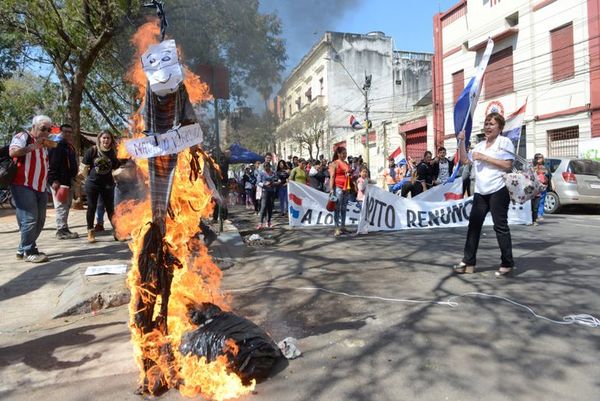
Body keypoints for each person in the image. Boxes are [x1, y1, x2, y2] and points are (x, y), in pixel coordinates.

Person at [453, 112, 515, 278]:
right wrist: (461, 142)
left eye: (491, 124)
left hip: (498, 189)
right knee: (473, 226)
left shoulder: (504, 142)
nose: (488, 127)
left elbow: (508, 165)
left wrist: (485, 158)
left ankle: (507, 262)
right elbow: (466, 161)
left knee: (500, 226)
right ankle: (469, 261)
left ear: (500, 127)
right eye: (486, 124)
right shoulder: (479, 145)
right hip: (481, 191)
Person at [9, 115, 54, 263]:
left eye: (49, 129)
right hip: (23, 185)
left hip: (40, 187)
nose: (46, 132)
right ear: (34, 127)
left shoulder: (45, 144)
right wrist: (34, 146)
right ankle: (29, 251)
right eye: (43, 129)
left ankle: (22, 248)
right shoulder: (23, 136)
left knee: (40, 221)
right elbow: (13, 152)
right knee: (29, 219)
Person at [81, 131, 119, 243]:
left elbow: (117, 168)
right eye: (104, 138)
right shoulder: (92, 150)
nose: (106, 140)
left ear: (111, 139)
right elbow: (84, 167)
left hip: (107, 184)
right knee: (92, 207)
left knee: (111, 209)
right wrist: (87, 179)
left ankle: (117, 232)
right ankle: (90, 232)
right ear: (100, 139)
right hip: (93, 184)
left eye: (108, 138)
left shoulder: (113, 152)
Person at [48, 123, 79, 239]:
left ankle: (64, 228)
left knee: (66, 205)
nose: (67, 134)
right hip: (59, 181)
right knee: (61, 205)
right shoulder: (57, 145)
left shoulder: (69, 146)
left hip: (68, 180)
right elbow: (52, 164)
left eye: (69, 132)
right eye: (65, 131)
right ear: (60, 132)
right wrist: (54, 180)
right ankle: (61, 231)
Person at [329, 146, 351, 237]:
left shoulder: (346, 163)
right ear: (338, 154)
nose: (345, 155)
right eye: (343, 153)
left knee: (344, 208)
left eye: (345, 153)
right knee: (337, 208)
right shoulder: (334, 163)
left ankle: (343, 226)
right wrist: (331, 189)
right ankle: (336, 228)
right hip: (338, 187)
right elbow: (332, 177)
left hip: (347, 188)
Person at [256, 162, 279, 229]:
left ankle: (268, 222)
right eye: (265, 166)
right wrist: (264, 184)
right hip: (264, 191)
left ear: (270, 166)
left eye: (267, 166)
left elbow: (278, 180)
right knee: (263, 207)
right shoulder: (261, 173)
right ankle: (260, 223)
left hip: (272, 191)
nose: (266, 167)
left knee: (270, 207)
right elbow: (258, 182)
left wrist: (276, 182)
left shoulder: (273, 173)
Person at [531, 162, 549, 226]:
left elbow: (544, 182)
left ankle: (534, 220)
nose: (543, 170)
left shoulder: (542, 176)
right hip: (531, 194)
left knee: (535, 208)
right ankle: (532, 220)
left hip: (537, 194)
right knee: (533, 208)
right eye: (541, 169)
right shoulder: (534, 175)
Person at [533, 153, 549, 221]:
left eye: (540, 157)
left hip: (543, 185)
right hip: (535, 186)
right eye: (536, 158)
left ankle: (540, 214)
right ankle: (534, 215)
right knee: (535, 202)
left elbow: (549, 176)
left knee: (542, 200)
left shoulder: (545, 166)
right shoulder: (533, 166)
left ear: (542, 158)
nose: (538, 159)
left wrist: (552, 183)